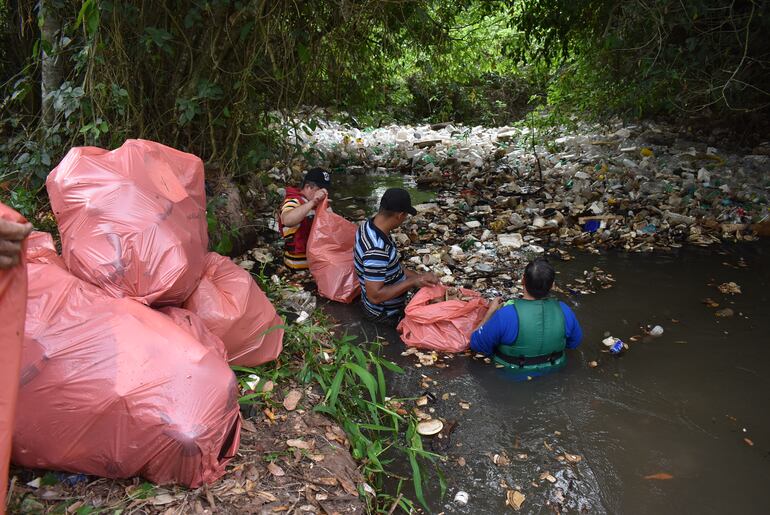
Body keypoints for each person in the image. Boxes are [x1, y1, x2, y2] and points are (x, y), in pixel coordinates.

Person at [470, 257, 583, 376]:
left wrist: (490, 313)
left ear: (522, 280)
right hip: (554, 371)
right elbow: (574, 343)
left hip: (511, 375)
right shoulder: (564, 310)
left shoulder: (506, 314)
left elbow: (477, 345)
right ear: (552, 286)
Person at [354, 188, 438, 322]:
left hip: (385, 304)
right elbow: (375, 296)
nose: (405, 219)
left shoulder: (368, 225)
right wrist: (412, 282)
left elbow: (390, 266)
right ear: (400, 215)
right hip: (383, 314)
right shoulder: (377, 249)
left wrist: (419, 278)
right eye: (405, 216)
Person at [278, 167, 331, 270]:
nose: (324, 194)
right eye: (320, 190)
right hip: (297, 268)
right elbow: (287, 220)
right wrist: (313, 202)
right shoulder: (294, 201)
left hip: (316, 265)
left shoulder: (320, 204)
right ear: (308, 187)